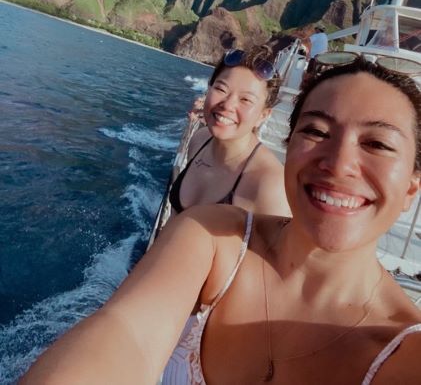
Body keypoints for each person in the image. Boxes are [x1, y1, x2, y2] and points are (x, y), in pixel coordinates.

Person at [21, 55, 421, 384]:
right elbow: (128, 334)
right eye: (317, 131)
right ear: (291, 145)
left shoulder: (404, 353)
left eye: (378, 143)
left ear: (411, 188)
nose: (338, 164)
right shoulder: (207, 234)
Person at [169, 45, 291, 217]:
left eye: (246, 99)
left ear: (263, 115)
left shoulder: (269, 185)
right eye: (221, 89)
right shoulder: (199, 139)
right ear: (209, 89)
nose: (227, 105)